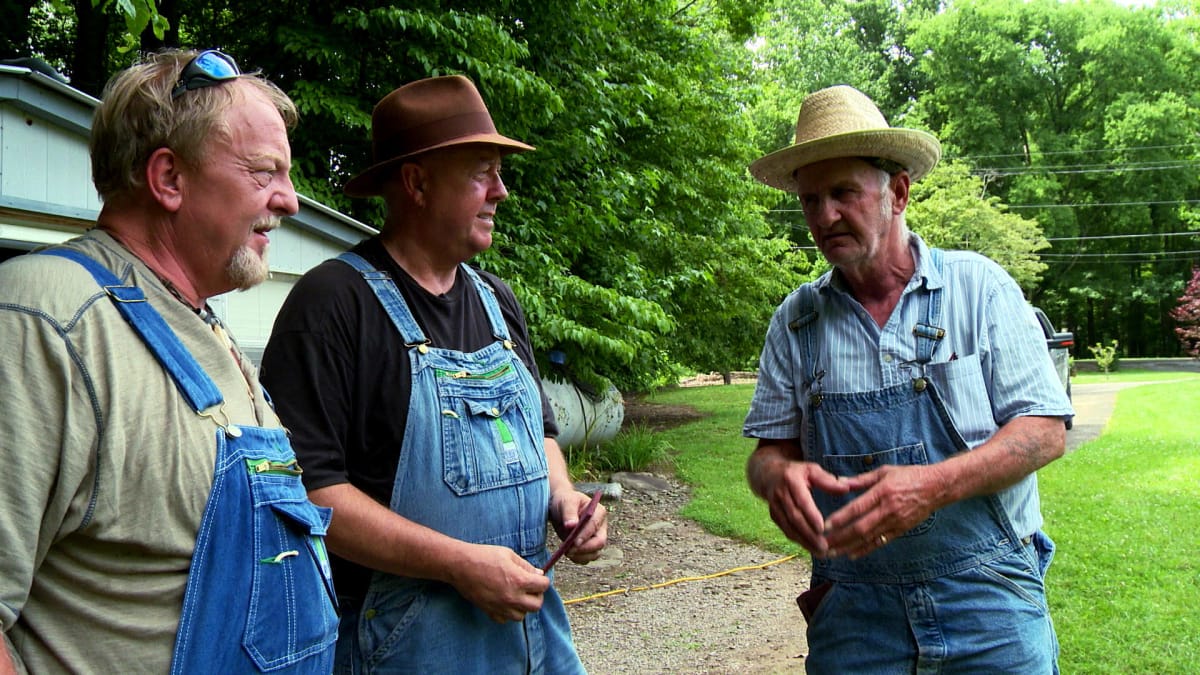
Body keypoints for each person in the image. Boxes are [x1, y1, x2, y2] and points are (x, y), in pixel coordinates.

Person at [0, 50, 338, 673]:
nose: (290, 200)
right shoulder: (46, 322)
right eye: (265, 172)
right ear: (170, 180)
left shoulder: (197, 323)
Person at [260, 74, 606, 673]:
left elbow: (541, 434)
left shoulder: (495, 300)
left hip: (533, 641)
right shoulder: (333, 305)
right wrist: (458, 562)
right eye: (481, 172)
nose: (501, 191)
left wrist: (564, 498)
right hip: (402, 649)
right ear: (417, 182)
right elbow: (311, 495)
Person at [742, 85, 1074, 673]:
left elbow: (1044, 430)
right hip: (854, 617)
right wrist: (778, 477)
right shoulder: (795, 320)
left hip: (989, 601)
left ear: (897, 193)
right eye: (810, 199)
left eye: (843, 193)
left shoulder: (981, 289)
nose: (824, 216)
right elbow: (769, 454)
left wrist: (933, 485)